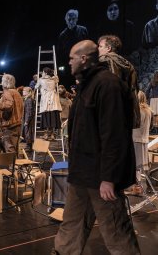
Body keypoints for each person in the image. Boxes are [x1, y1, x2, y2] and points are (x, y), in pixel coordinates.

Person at [53, 40, 140, 254]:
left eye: (72, 58)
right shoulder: (87, 86)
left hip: (100, 177)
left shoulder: (107, 85)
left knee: (116, 231)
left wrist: (109, 178)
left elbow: (114, 135)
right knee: (71, 226)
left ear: (84, 59)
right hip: (81, 175)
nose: (69, 62)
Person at [98, 34, 140, 129]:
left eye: (100, 46)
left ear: (108, 48)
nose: (98, 49)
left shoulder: (104, 60)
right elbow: (134, 89)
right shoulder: (128, 65)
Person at [0, 74, 24, 153]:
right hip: (16, 124)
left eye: (2, 81)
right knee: (11, 145)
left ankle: (10, 164)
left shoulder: (8, 92)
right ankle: (11, 162)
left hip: (10, 125)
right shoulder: (17, 93)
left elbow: (8, 106)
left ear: (5, 82)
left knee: (9, 147)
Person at [132, 91, 152, 195]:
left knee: (136, 165)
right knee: (141, 166)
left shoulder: (138, 110)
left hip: (136, 140)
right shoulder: (149, 110)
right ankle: (138, 186)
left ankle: (137, 187)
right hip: (144, 140)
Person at [35, 67, 62, 140]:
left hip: (46, 98)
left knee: (46, 116)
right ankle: (52, 134)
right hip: (53, 99)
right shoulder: (54, 79)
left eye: (43, 72)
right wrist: (54, 74)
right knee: (52, 115)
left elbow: (36, 87)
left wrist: (39, 81)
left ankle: (46, 134)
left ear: (45, 73)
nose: (42, 73)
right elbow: (57, 78)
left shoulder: (41, 80)